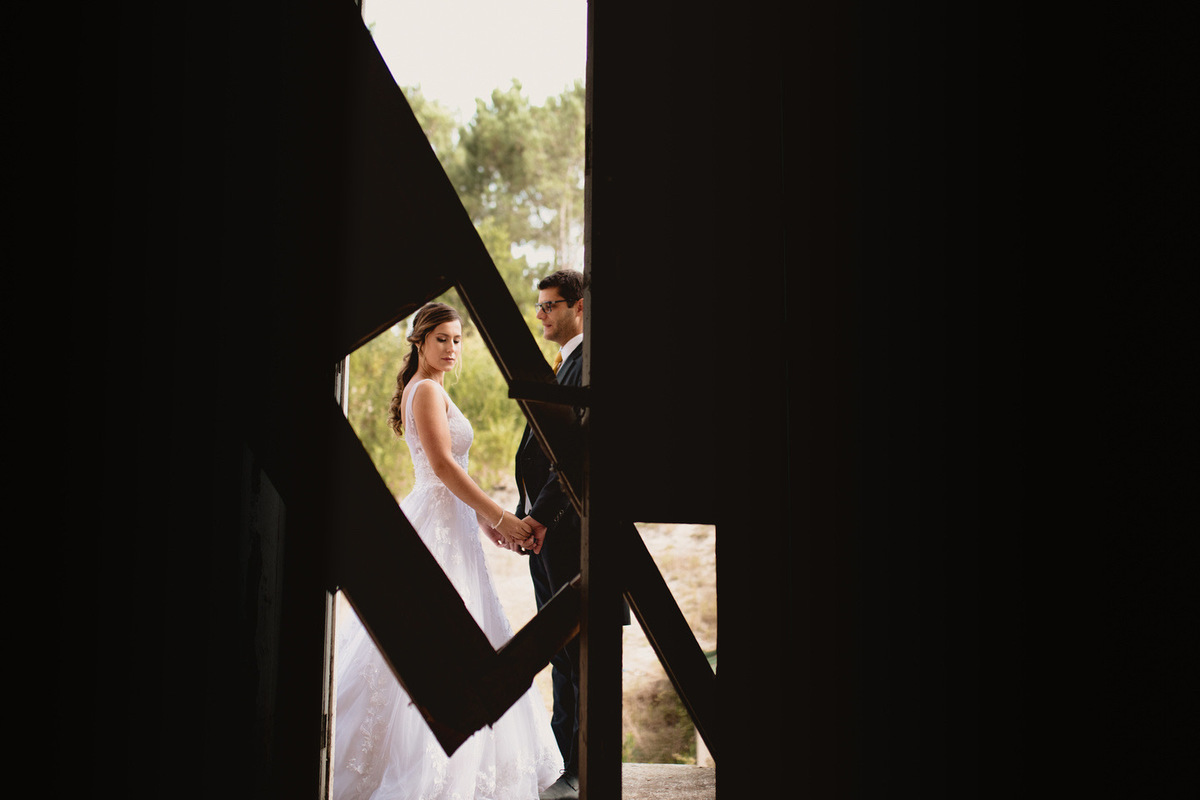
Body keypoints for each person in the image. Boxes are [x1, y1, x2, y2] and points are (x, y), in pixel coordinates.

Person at [332, 301, 563, 800]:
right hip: (433, 530)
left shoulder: (432, 391)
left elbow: (451, 472)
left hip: (452, 523)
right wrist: (503, 515)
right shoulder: (427, 393)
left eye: (458, 340)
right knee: (441, 635)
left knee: (467, 630)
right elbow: (441, 467)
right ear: (419, 341)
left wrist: (481, 519)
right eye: (442, 339)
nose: (452, 348)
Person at [514, 270, 588, 800]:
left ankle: (580, 767)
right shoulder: (562, 365)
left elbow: (576, 458)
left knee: (577, 649)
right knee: (560, 652)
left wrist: (538, 516)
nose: (540, 315)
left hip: (567, 531)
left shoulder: (587, 365)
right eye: (538, 306)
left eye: (550, 306)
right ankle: (563, 765)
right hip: (544, 533)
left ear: (578, 307)